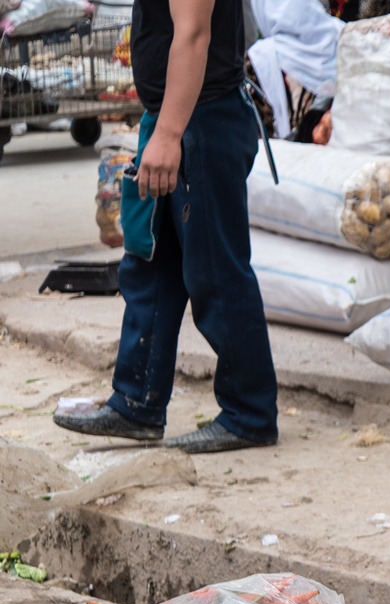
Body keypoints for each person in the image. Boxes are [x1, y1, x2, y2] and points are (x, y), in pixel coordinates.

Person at [55, 0, 280, 453]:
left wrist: (170, 133)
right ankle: (136, 402)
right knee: (152, 266)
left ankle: (249, 413)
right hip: (175, 117)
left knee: (215, 272)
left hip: (203, 118)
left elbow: (194, 33)